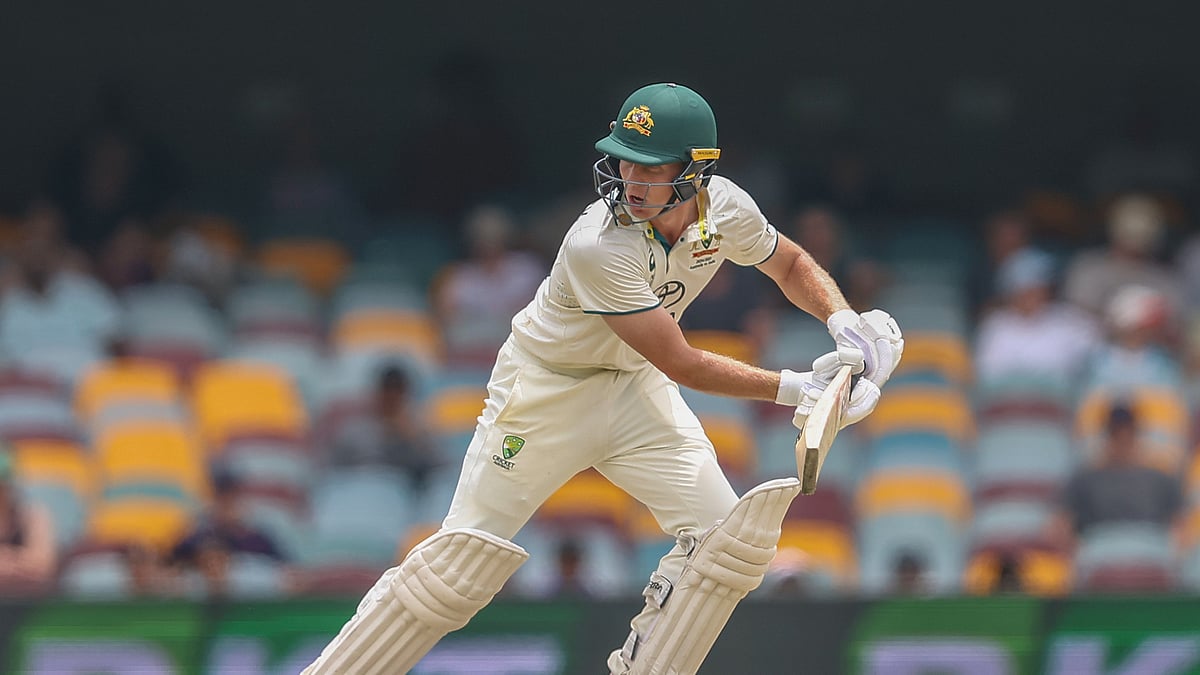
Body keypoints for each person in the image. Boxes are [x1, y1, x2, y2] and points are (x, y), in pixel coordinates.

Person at [303, 82, 904, 675]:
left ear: (696, 171)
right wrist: (797, 389)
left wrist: (844, 321)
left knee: (732, 545)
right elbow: (683, 363)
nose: (631, 180)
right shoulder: (598, 244)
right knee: (456, 572)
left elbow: (790, 262)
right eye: (625, 161)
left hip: (634, 389)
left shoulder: (726, 208)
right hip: (547, 393)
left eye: (651, 168)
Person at [0, 448, 57, 594]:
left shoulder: (32, 515)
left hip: (28, 602)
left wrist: (6, 561)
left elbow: (42, 565)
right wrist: (19, 559)